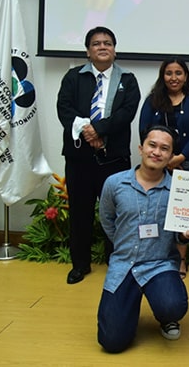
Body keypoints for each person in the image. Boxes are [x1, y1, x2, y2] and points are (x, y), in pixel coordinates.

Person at [57, 26, 140, 284]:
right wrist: (87, 132)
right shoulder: (73, 77)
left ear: (114, 50)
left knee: (116, 212)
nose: (102, 47)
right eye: (96, 44)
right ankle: (80, 265)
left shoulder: (127, 79)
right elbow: (64, 108)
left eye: (107, 43)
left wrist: (99, 130)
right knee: (80, 212)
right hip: (79, 158)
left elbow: (127, 112)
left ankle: (115, 262)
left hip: (113, 159)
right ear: (88, 51)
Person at [97, 126, 189, 353]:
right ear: (141, 148)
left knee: (173, 305)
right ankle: (127, 307)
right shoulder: (115, 183)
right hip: (124, 264)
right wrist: (123, 243)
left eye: (165, 149)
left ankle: (167, 317)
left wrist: (187, 236)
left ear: (171, 156)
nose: (157, 152)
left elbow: (180, 232)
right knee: (111, 342)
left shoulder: (178, 190)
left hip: (160, 263)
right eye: (152, 145)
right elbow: (107, 219)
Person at [139, 57, 189, 278]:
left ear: (186, 76)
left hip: (187, 165)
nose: (174, 78)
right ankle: (154, 256)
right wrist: (161, 159)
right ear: (162, 76)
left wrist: (179, 158)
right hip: (155, 166)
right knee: (156, 210)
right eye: (169, 73)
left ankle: (181, 260)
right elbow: (143, 131)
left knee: (183, 214)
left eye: (178, 73)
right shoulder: (152, 100)